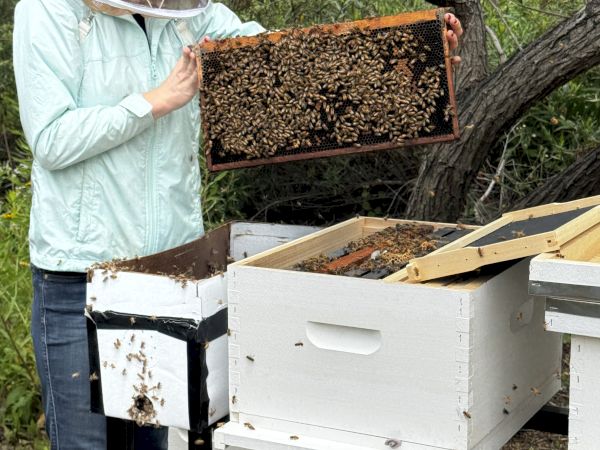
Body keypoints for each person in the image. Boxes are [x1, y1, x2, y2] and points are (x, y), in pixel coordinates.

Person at [12, 0, 463, 446]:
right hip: (78, 275)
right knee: (84, 444)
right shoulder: (51, 9)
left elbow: (294, 70)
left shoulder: (189, 14)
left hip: (163, 274)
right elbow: (51, 139)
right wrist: (155, 102)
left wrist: (407, 62)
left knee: (148, 442)